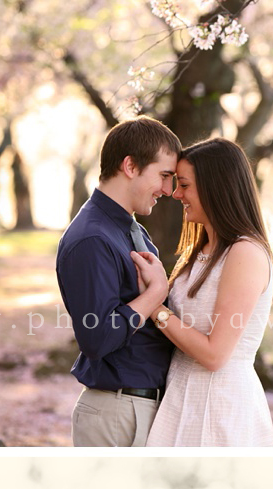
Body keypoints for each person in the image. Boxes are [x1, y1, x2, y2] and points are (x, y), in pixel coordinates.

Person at [140, 138, 273, 447]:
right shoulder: (199, 250)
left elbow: (215, 355)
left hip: (218, 405)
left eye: (184, 185)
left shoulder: (245, 253)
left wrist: (154, 305)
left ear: (215, 187)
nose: (176, 194)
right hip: (179, 395)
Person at [56, 117, 181, 447]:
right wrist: (155, 294)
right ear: (130, 166)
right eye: (164, 176)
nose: (168, 191)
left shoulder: (131, 229)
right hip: (116, 413)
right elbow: (96, 338)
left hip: (139, 409)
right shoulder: (92, 239)